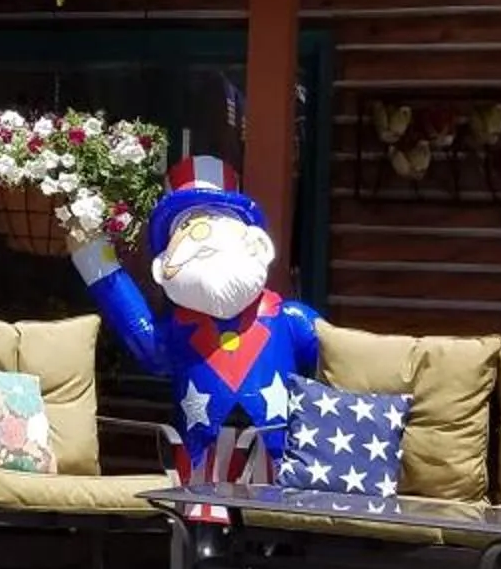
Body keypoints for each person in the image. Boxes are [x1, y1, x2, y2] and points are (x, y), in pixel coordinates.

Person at [69, 154, 317, 483]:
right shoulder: (179, 331)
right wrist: (92, 257)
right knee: (201, 525)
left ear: (256, 243)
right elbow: (146, 342)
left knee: (271, 525)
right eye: (186, 224)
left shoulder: (289, 319)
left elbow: (339, 362)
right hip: (201, 472)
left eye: (215, 218)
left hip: (278, 471)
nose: (201, 232)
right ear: (163, 264)